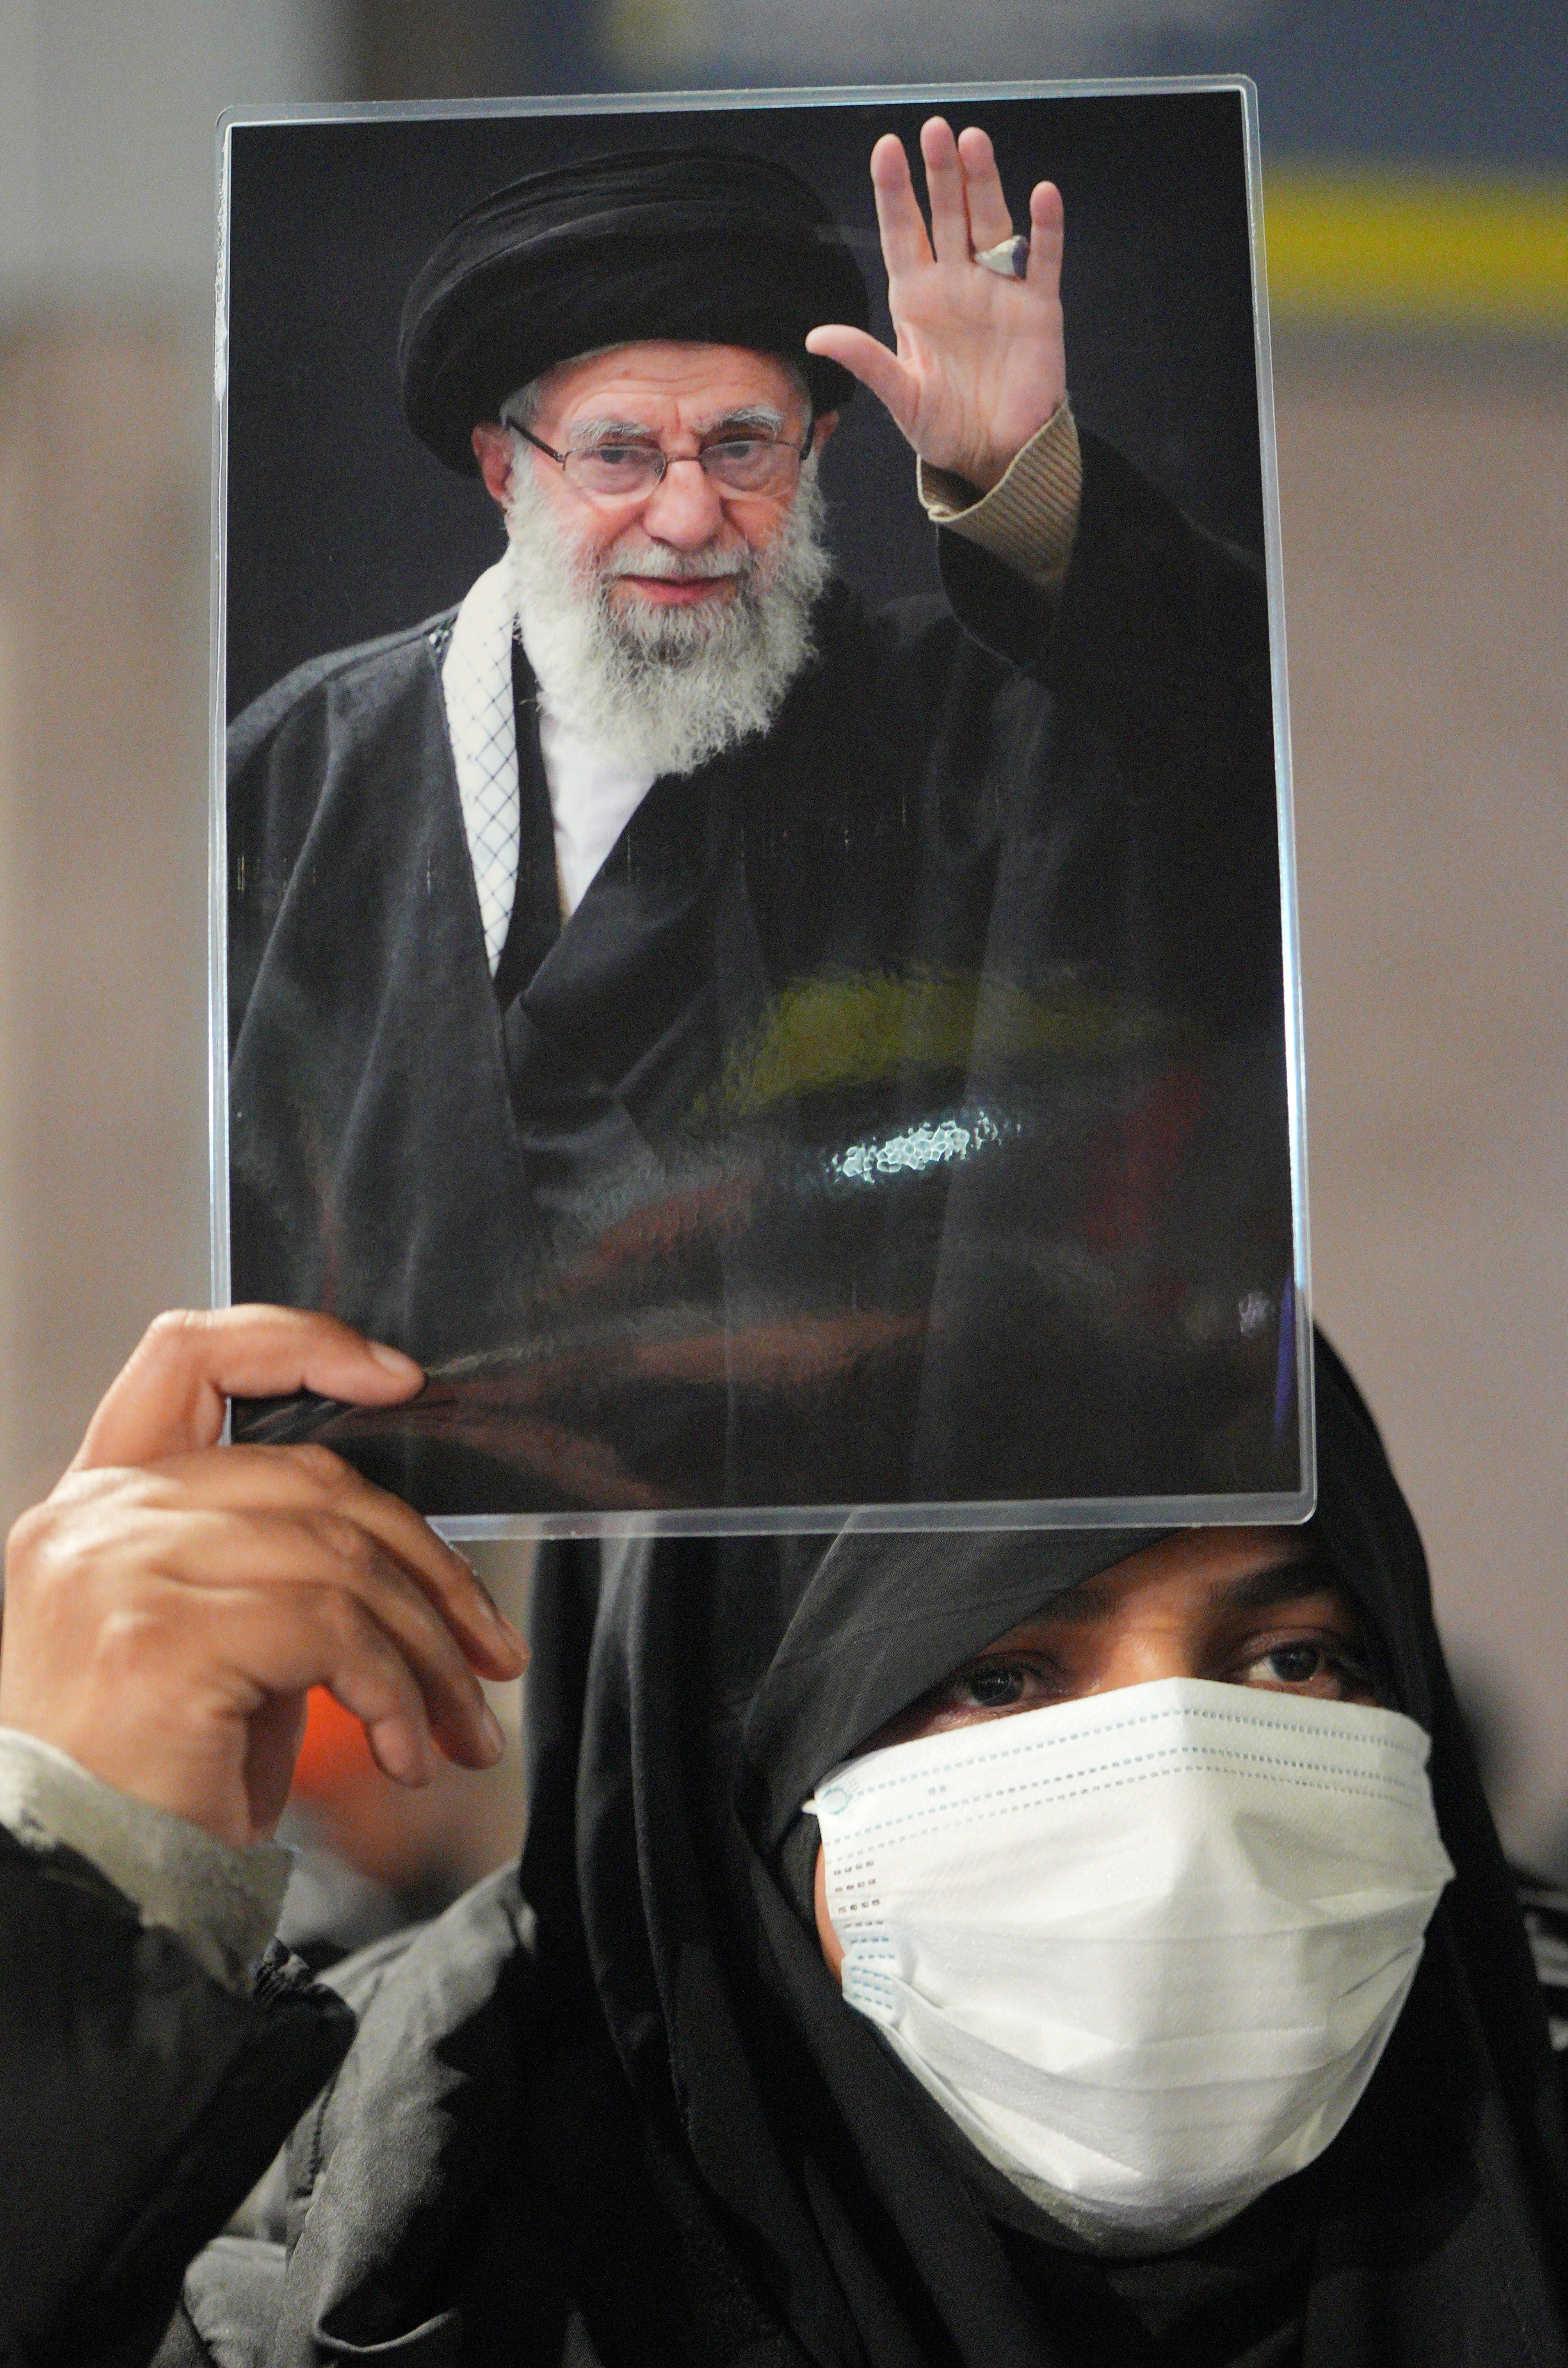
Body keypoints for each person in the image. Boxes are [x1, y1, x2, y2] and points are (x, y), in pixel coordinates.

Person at [0, 1306, 1568, 2364]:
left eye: (1294, 1658)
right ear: (718, 1782)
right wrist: (86, 1911)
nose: (1181, 1800)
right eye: (994, 1673)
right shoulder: (356, 2269)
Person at [227, 120, 1294, 1514]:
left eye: (743, 446)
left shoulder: (965, 732)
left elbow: (1216, 727)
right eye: (618, 454)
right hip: (437, 1580)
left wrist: (1017, 479)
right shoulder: (309, 765)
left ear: (821, 447)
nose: (688, 513)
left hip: (865, 1564)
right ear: (505, 468)